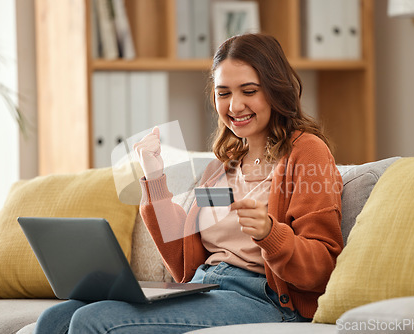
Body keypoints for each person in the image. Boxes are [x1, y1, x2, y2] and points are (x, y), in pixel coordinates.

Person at [34, 33, 343, 334]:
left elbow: (323, 265)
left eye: (249, 91)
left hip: (263, 298)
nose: (234, 106)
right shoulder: (224, 165)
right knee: (54, 319)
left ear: (276, 90)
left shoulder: (306, 152)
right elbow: (185, 260)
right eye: (224, 93)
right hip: (203, 285)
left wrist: (270, 233)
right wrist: (155, 177)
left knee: (95, 320)